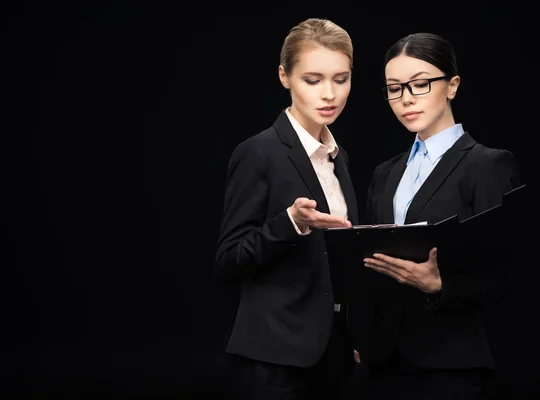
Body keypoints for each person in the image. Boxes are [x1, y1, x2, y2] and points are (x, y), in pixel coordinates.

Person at [348, 32, 522, 399]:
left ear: (452, 85)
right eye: (394, 89)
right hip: (382, 362)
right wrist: (361, 335)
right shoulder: (385, 174)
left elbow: (511, 274)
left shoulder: (488, 165)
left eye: (421, 84)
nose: (406, 98)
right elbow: (367, 264)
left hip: (451, 364)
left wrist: (441, 286)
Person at [214, 18, 359, 400]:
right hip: (274, 361)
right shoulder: (258, 153)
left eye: (340, 79)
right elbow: (228, 260)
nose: (329, 94)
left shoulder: (338, 158)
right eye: (313, 80)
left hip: (334, 356)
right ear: (285, 77)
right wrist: (290, 223)